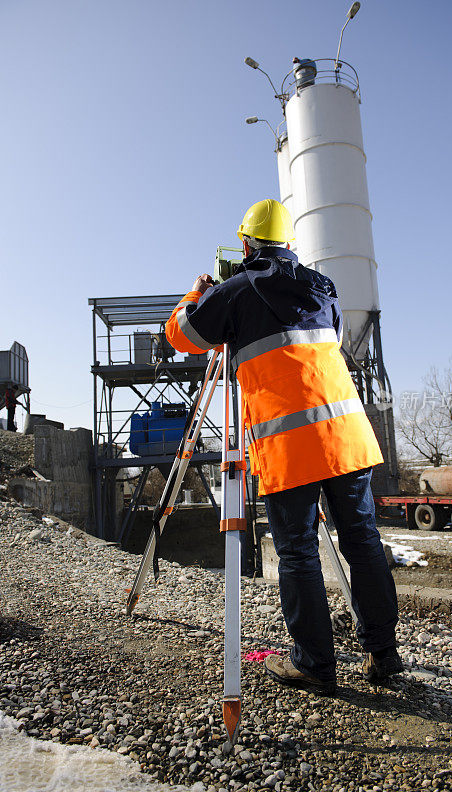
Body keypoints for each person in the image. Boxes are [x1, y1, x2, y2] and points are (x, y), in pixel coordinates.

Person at [166, 199, 403, 694]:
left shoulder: (233, 293)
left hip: (289, 447)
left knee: (297, 553)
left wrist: (198, 292)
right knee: (363, 542)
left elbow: (184, 336)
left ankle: (315, 665)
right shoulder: (324, 287)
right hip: (346, 438)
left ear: (246, 244)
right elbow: (329, 339)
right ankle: (383, 652)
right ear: (291, 244)